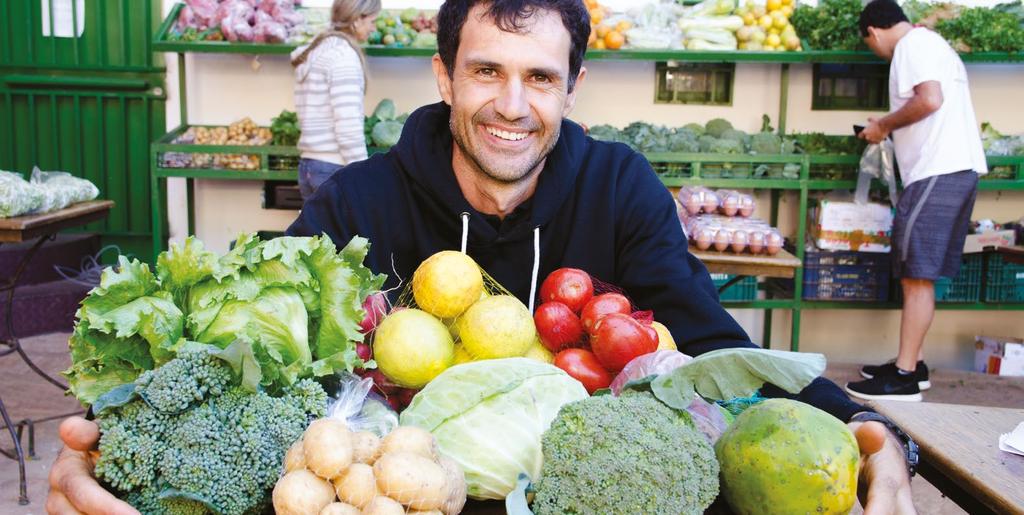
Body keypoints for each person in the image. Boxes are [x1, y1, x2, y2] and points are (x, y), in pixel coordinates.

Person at [47, 1, 915, 513]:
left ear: (573, 86)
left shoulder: (619, 187)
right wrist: (110, 432)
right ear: (443, 76)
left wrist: (871, 433)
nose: (512, 104)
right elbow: (242, 338)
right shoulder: (358, 199)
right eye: (486, 71)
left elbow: (710, 335)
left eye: (540, 78)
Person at [846, 0, 986, 403]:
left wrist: (881, 126)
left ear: (872, 32)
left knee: (916, 273)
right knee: (917, 272)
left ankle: (904, 377)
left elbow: (929, 100)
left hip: (937, 171)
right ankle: (914, 364)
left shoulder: (911, 47)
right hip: (950, 170)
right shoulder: (930, 43)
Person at [290, 0, 381, 200]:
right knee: (348, 233)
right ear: (357, 20)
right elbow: (347, 126)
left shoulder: (317, 50)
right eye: (372, 21)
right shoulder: (343, 57)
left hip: (309, 166)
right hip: (333, 169)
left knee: (315, 233)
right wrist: (362, 173)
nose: (373, 29)